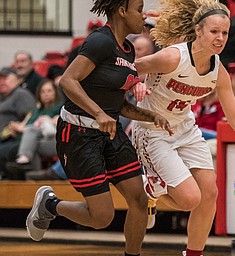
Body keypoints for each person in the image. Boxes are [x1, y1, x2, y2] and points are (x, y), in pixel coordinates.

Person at [131, 1, 235, 255]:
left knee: (209, 193)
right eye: (214, 31)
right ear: (199, 31)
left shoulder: (218, 71)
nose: (220, 38)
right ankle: (147, 189)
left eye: (224, 33)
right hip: (153, 130)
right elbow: (126, 68)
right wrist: (134, 82)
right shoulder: (172, 57)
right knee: (190, 198)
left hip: (185, 128)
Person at [25, 2, 173, 256]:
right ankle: (50, 204)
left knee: (139, 200)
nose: (144, 14)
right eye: (139, 8)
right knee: (102, 216)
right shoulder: (99, 42)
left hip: (110, 132)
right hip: (79, 134)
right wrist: (98, 113)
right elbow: (68, 81)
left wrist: (147, 115)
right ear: (122, 11)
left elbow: (117, 103)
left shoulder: (128, 51)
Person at [5, 78, 63, 178]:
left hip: (57, 141)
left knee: (31, 139)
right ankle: (32, 177)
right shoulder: (37, 110)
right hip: (41, 141)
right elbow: (28, 127)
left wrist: (50, 121)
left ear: (55, 92)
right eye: (43, 91)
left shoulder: (61, 107)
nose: (46, 94)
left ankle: (25, 162)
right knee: (32, 145)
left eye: (49, 91)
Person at [0, 67, 36, 179]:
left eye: (6, 78)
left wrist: (19, 126)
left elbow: (32, 115)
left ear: (16, 79)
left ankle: (10, 178)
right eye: (0, 79)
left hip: (14, 137)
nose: (2, 82)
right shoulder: (3, 97)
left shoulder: (21, 94)